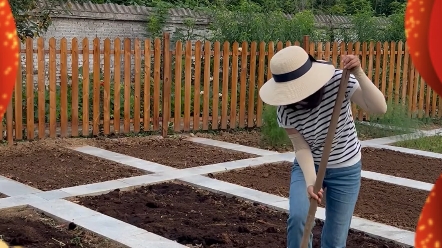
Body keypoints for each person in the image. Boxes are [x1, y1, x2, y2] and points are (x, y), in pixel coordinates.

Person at [259, 46, 387, 248]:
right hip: (310, 165)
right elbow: (301, 147)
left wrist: (359, 74)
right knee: (299, 218)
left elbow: (379, 108)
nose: (295, 95)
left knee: (335, 241)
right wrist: (311, 181)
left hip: (346, 168)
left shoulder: (338, 82)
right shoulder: (284, 109)